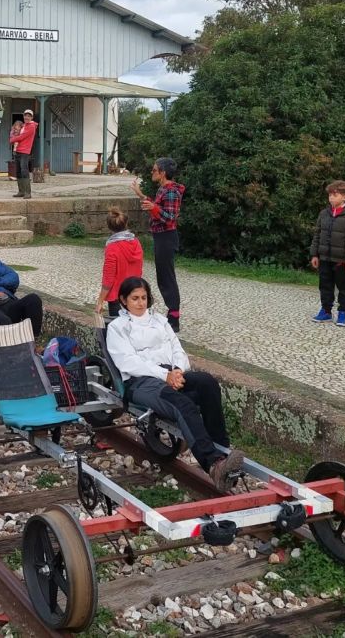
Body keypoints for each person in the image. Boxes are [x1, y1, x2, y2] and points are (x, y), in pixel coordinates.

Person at [106, 276, 244, 493]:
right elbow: (128, 362)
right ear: (123, 300)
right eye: (135, 298)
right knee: (182, 404)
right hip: (141, 381)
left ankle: (222, 449)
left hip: (170, 373)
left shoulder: (160, 320)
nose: (141, 303)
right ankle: (214, 465)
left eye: (144, 298)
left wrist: (178, 370)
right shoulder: (118, 327)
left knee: (207, 383)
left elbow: (176, 347)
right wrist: (164, 375)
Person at [131, 157, 185, 332]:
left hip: (167, 237)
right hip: (161, 236)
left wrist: (152, 208)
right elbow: (157, 207)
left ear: (162, 173)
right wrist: (141, 196)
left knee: (167, 276)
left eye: (154, 170)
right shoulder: (164, 189)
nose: (152, 172)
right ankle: (172, 314)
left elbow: (170, 217)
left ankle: (174, 318)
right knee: (163, 275)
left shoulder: (171, 191)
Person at [310, 180, 345, 328]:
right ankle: (326, 310)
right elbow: (317, 235)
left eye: (335, 194)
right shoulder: (324, 214)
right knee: (325, 285)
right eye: (330, 195)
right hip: (324, 257)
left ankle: (343, 312)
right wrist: (315, 254)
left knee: (343, 287)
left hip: (342, 260)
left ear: (344, 197)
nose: (331, 198)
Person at [95, 207, 143, 315]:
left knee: (119, 330)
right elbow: (139, 270)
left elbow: (108, 278)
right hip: (134, 293)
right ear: (126, 223)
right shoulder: (136, 242)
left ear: (109, 227)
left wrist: (100, 301)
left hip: (118, 297)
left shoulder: (112, 247)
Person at [9, 109, 37, 198]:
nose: (27, 117)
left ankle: (28, 193)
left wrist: (12, 139)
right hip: (18, 150)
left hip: (25, 151)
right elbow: (16, 133)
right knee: (18, 171)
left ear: (32, 117)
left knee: (24, 170)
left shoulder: (32, 126)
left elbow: (22, 137)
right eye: (25, 115)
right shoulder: (23, 125)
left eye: (29, 116)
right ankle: (21, 191)